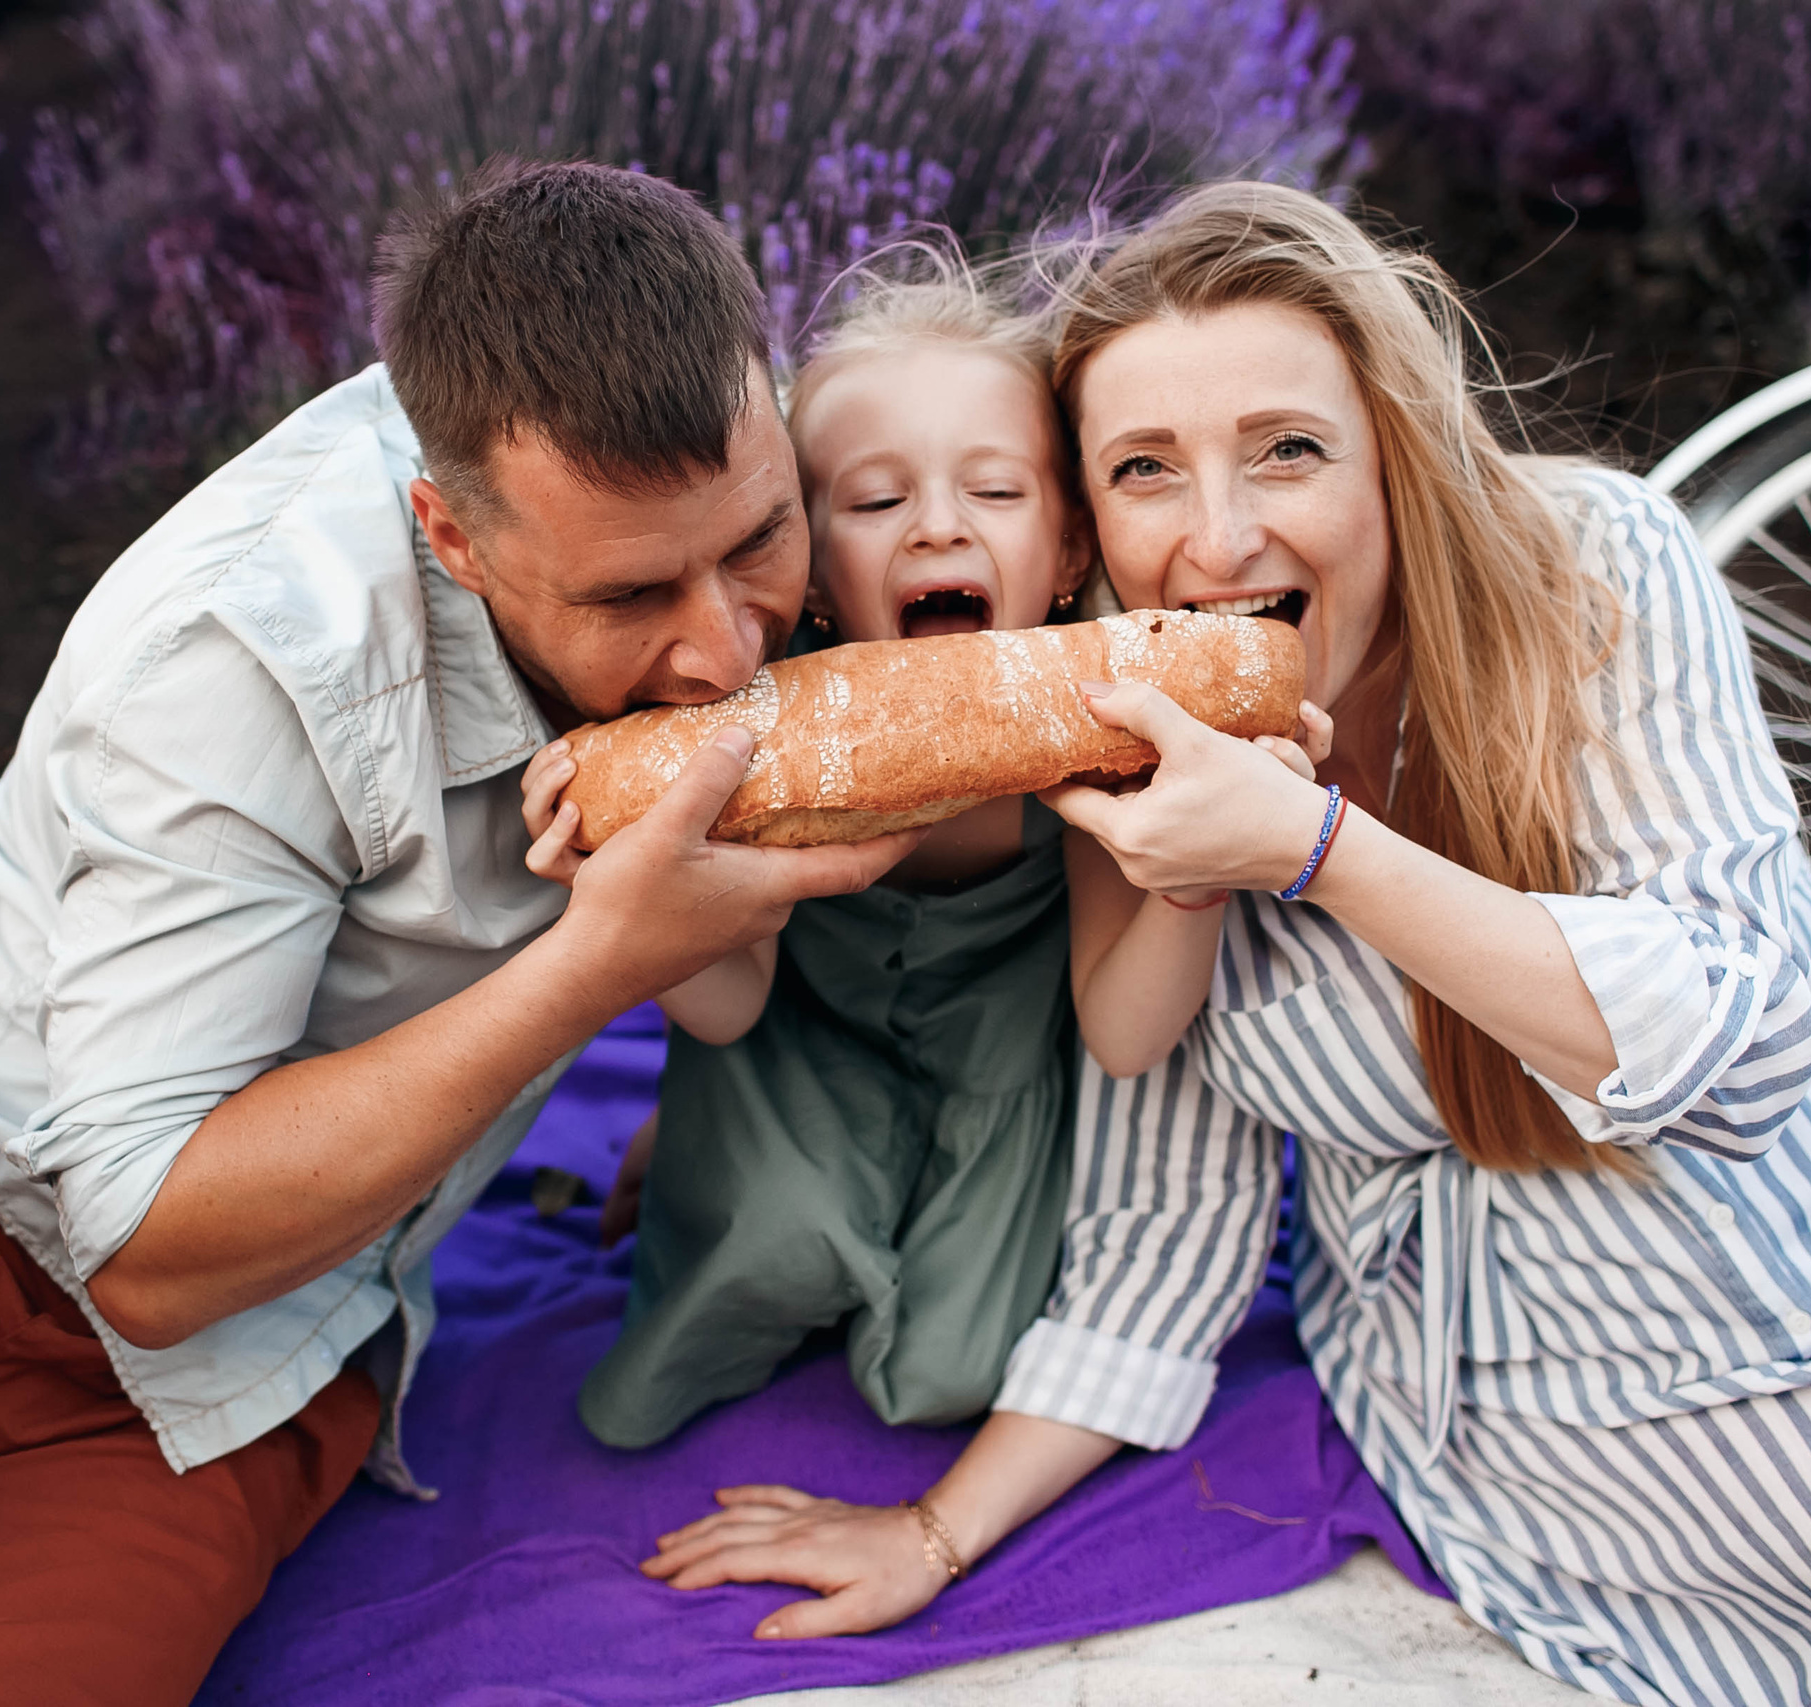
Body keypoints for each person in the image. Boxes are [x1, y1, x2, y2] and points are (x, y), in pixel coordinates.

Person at [636, 182, 1811, 1704]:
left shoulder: (1597, 569)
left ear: (1396, 455)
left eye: (1289, 450)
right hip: (1576, 1376)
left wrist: (1322, 852)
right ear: (1091, 530)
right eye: (1147, 470)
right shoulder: (1136, 759)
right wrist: (932, 1525)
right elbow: (1162, 1217)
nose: (1223, 536)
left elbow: (1754, 1043)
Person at [0, 161, 915, 1703]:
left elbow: (164, 1310)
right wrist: (593, 966)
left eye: (757, 542)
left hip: (226, 1367)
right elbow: (143, 1235)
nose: (721, 650)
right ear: (451, 533)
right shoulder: (246, 643)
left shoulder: (779, 500)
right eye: (633, 593)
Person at [522, 268, 1331, 1449]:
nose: (937, 527)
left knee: (953, 1375)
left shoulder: (1110, 741)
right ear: (801, 574)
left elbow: (1124, 1032)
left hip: (1001, 1098)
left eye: (992, 490)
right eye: (872, 501)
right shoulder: (748, 743)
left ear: (1064, 552)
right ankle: (708, 1183)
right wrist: (619, 895)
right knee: (692, 1343)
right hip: (784, 1072)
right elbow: (726, 1012)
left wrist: (1195, 870)